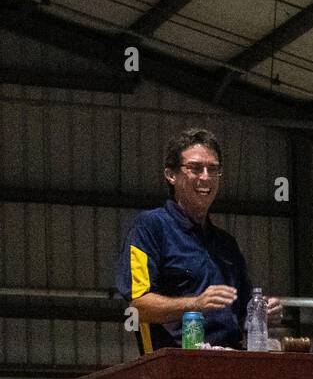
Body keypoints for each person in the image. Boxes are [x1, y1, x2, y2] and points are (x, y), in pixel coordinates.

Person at [115, 127, 282, 353]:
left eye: (213, 169)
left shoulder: (227, 244)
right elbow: (138, 306)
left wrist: (264, 311)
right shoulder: (150, 227)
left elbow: (243, 312)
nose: (205, 177)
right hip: (174, 366)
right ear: (171, 175)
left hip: (231, 361)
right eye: (195, 168)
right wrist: (195, 304)